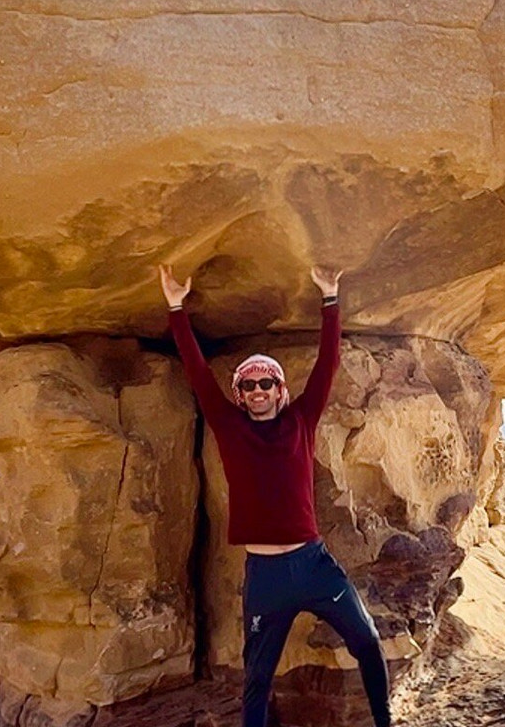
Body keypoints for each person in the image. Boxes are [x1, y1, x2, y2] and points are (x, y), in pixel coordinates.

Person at [158, 264, 391, 727]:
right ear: (240, 395)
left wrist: (330, 297)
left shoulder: (301, 421)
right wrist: (175, 307)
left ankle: (385, 721)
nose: (259, 390)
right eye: (249, 385)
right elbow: (197, 371)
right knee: (257, 679)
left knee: (366, 641)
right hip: (265, 575)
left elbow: (328, 365)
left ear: (280, 390)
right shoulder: (229, 426)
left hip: (315, 565)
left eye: (267, 383)